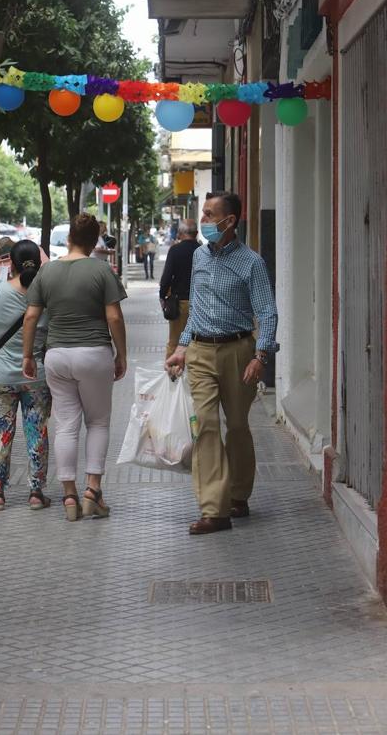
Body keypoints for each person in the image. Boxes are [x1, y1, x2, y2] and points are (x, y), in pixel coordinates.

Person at [165, 192, 278, 536]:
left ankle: (239, 495)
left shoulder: (251, 263)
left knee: (239, 426)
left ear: (230, 221)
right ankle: (214, 509)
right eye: (203, 214)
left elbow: (267, 312)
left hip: (237, 351)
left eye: (210, 215)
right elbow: (197, 308)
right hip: (200, 351)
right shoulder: (199, 256)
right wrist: (182, 347)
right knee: (207, 426)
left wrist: (261, 357)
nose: (204, 221)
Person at [22, 213, 127, 521]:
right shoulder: (101, 270)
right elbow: (115, 318)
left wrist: (28, 355)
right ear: (95, 240)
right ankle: (92, 491)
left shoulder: (47, 271)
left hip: (56, 356)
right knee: (98, 423)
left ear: (69, 236)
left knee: (66, 424)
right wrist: (121, 354)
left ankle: (69, 495)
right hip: (94, 354)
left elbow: (30, 317)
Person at [0, 240, 51, 511]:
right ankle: (36, 493)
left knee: (1, 432)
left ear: (10, 265)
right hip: (35, 376)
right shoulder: (46, 295)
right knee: (36, 432)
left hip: (0, 376)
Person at [159, 220, 199, 358]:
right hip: (200, 304)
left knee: (175, 340)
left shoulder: (175, 250)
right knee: (196, 341)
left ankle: (173, 373)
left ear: (180, 234)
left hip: (179, 303)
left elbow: (167, 277)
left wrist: (162, 296)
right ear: (196, 233)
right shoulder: (203, 251)